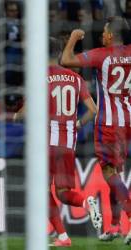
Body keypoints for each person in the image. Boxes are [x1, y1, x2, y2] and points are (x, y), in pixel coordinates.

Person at [14, 37, 101, 247]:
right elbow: (94, 110)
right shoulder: (75, 78)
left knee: (41, 191)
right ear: (60, 53)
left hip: (46, 143)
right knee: (62, 193)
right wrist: (78, 124)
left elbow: (26, 112)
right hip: (68, 143)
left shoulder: (40, 77)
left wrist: (17, 116)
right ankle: (84, 204)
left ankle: (63, 235)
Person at [61, 16, 131, 244]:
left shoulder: (103, 54)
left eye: (104, 32)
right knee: (116, 174)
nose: (102, 35)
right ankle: (113, 227)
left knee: (109, 172)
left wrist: (73, 38)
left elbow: (66, 60)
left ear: (111, 35)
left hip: (108, 123)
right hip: (128, 121)